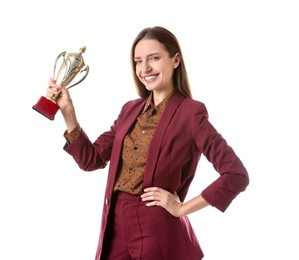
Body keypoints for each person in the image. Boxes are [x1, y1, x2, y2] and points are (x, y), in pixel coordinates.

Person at [47, 26, 249, 260]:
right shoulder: (129, 109)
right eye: (138, 61)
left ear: (175, 60)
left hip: (157, 228)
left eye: (154, 58)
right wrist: (68, 113)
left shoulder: (191, 113)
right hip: (114, 225)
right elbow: (91, 160)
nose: (145, 69)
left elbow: (236, 174)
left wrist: (182, 208)